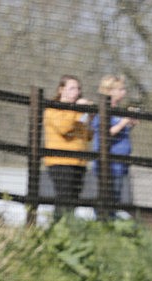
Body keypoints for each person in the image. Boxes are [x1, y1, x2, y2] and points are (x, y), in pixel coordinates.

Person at [43, 75, 93, 220]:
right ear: (61, 90)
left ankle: (68, 229)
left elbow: (87, 135)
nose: (76, 92)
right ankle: (58, 228)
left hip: (79, 161)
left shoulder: (76, 112)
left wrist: (88, 117)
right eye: (71, 88)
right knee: (63, 198)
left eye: (78, 88)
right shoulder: (53, 109)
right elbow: (64, 128)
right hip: (60, 161)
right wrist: (78, 109)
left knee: (73, 200)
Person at [92, 75, 138, 213]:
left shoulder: (117, 110)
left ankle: (109, 225)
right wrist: (124, 121)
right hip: (108, 164)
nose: (124, 92)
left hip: (120, 162)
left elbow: (118, 129)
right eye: (120, 89)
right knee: (106, 197)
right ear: (110, 91)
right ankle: (103, 224)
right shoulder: (102, 110)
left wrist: (130, 123)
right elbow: (106, 133)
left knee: (116, 198)